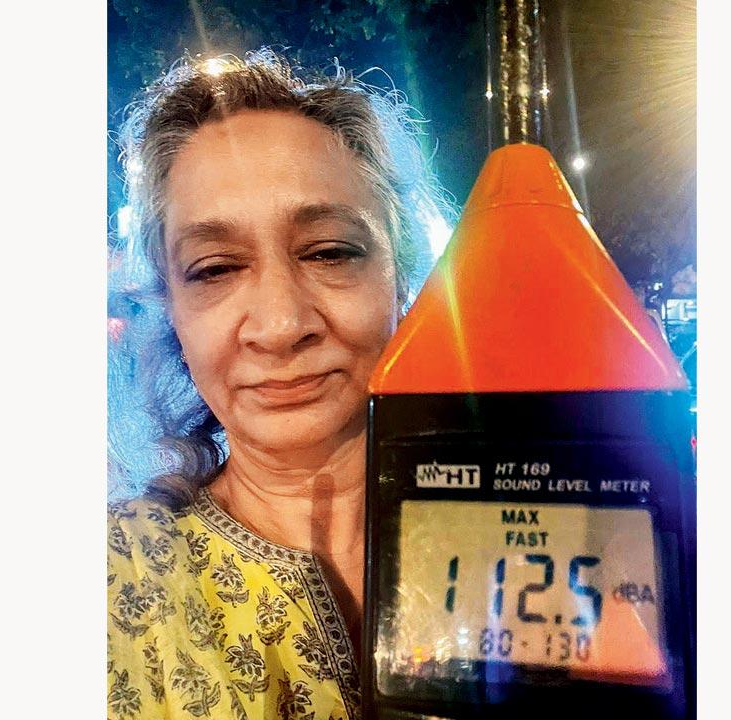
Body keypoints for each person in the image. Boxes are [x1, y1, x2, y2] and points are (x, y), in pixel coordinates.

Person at [107, 50, 448, 720]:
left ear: (401, 277)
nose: (281, 325)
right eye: (213, 268)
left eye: (328, 252)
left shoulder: (547, 527)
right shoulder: (112, 583)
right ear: (170, 308)